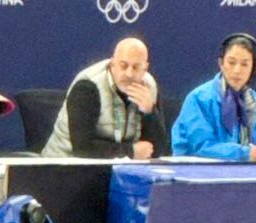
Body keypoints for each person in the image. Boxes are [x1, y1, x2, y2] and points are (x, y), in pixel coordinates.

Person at [42, 37, 170, 159]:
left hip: (120, 168)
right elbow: (82, 149)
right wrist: (130, 152)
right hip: (64, 163)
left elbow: (158, 150)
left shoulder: (149, 87)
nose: (129, 74)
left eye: (136, 67)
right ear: (112, 64)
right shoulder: (88, 85)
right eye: (123, 66)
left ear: (145, 68)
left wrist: (150, 113)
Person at [171, 33, 256, 162]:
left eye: (244, 64)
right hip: (196, 170)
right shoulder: (199, 98)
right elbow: (201, 146)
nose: (237, 70)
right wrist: (244, 153)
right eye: (231, 62)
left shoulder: (253, 99)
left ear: (253, 67)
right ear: (221, 63)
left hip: (241, 170)